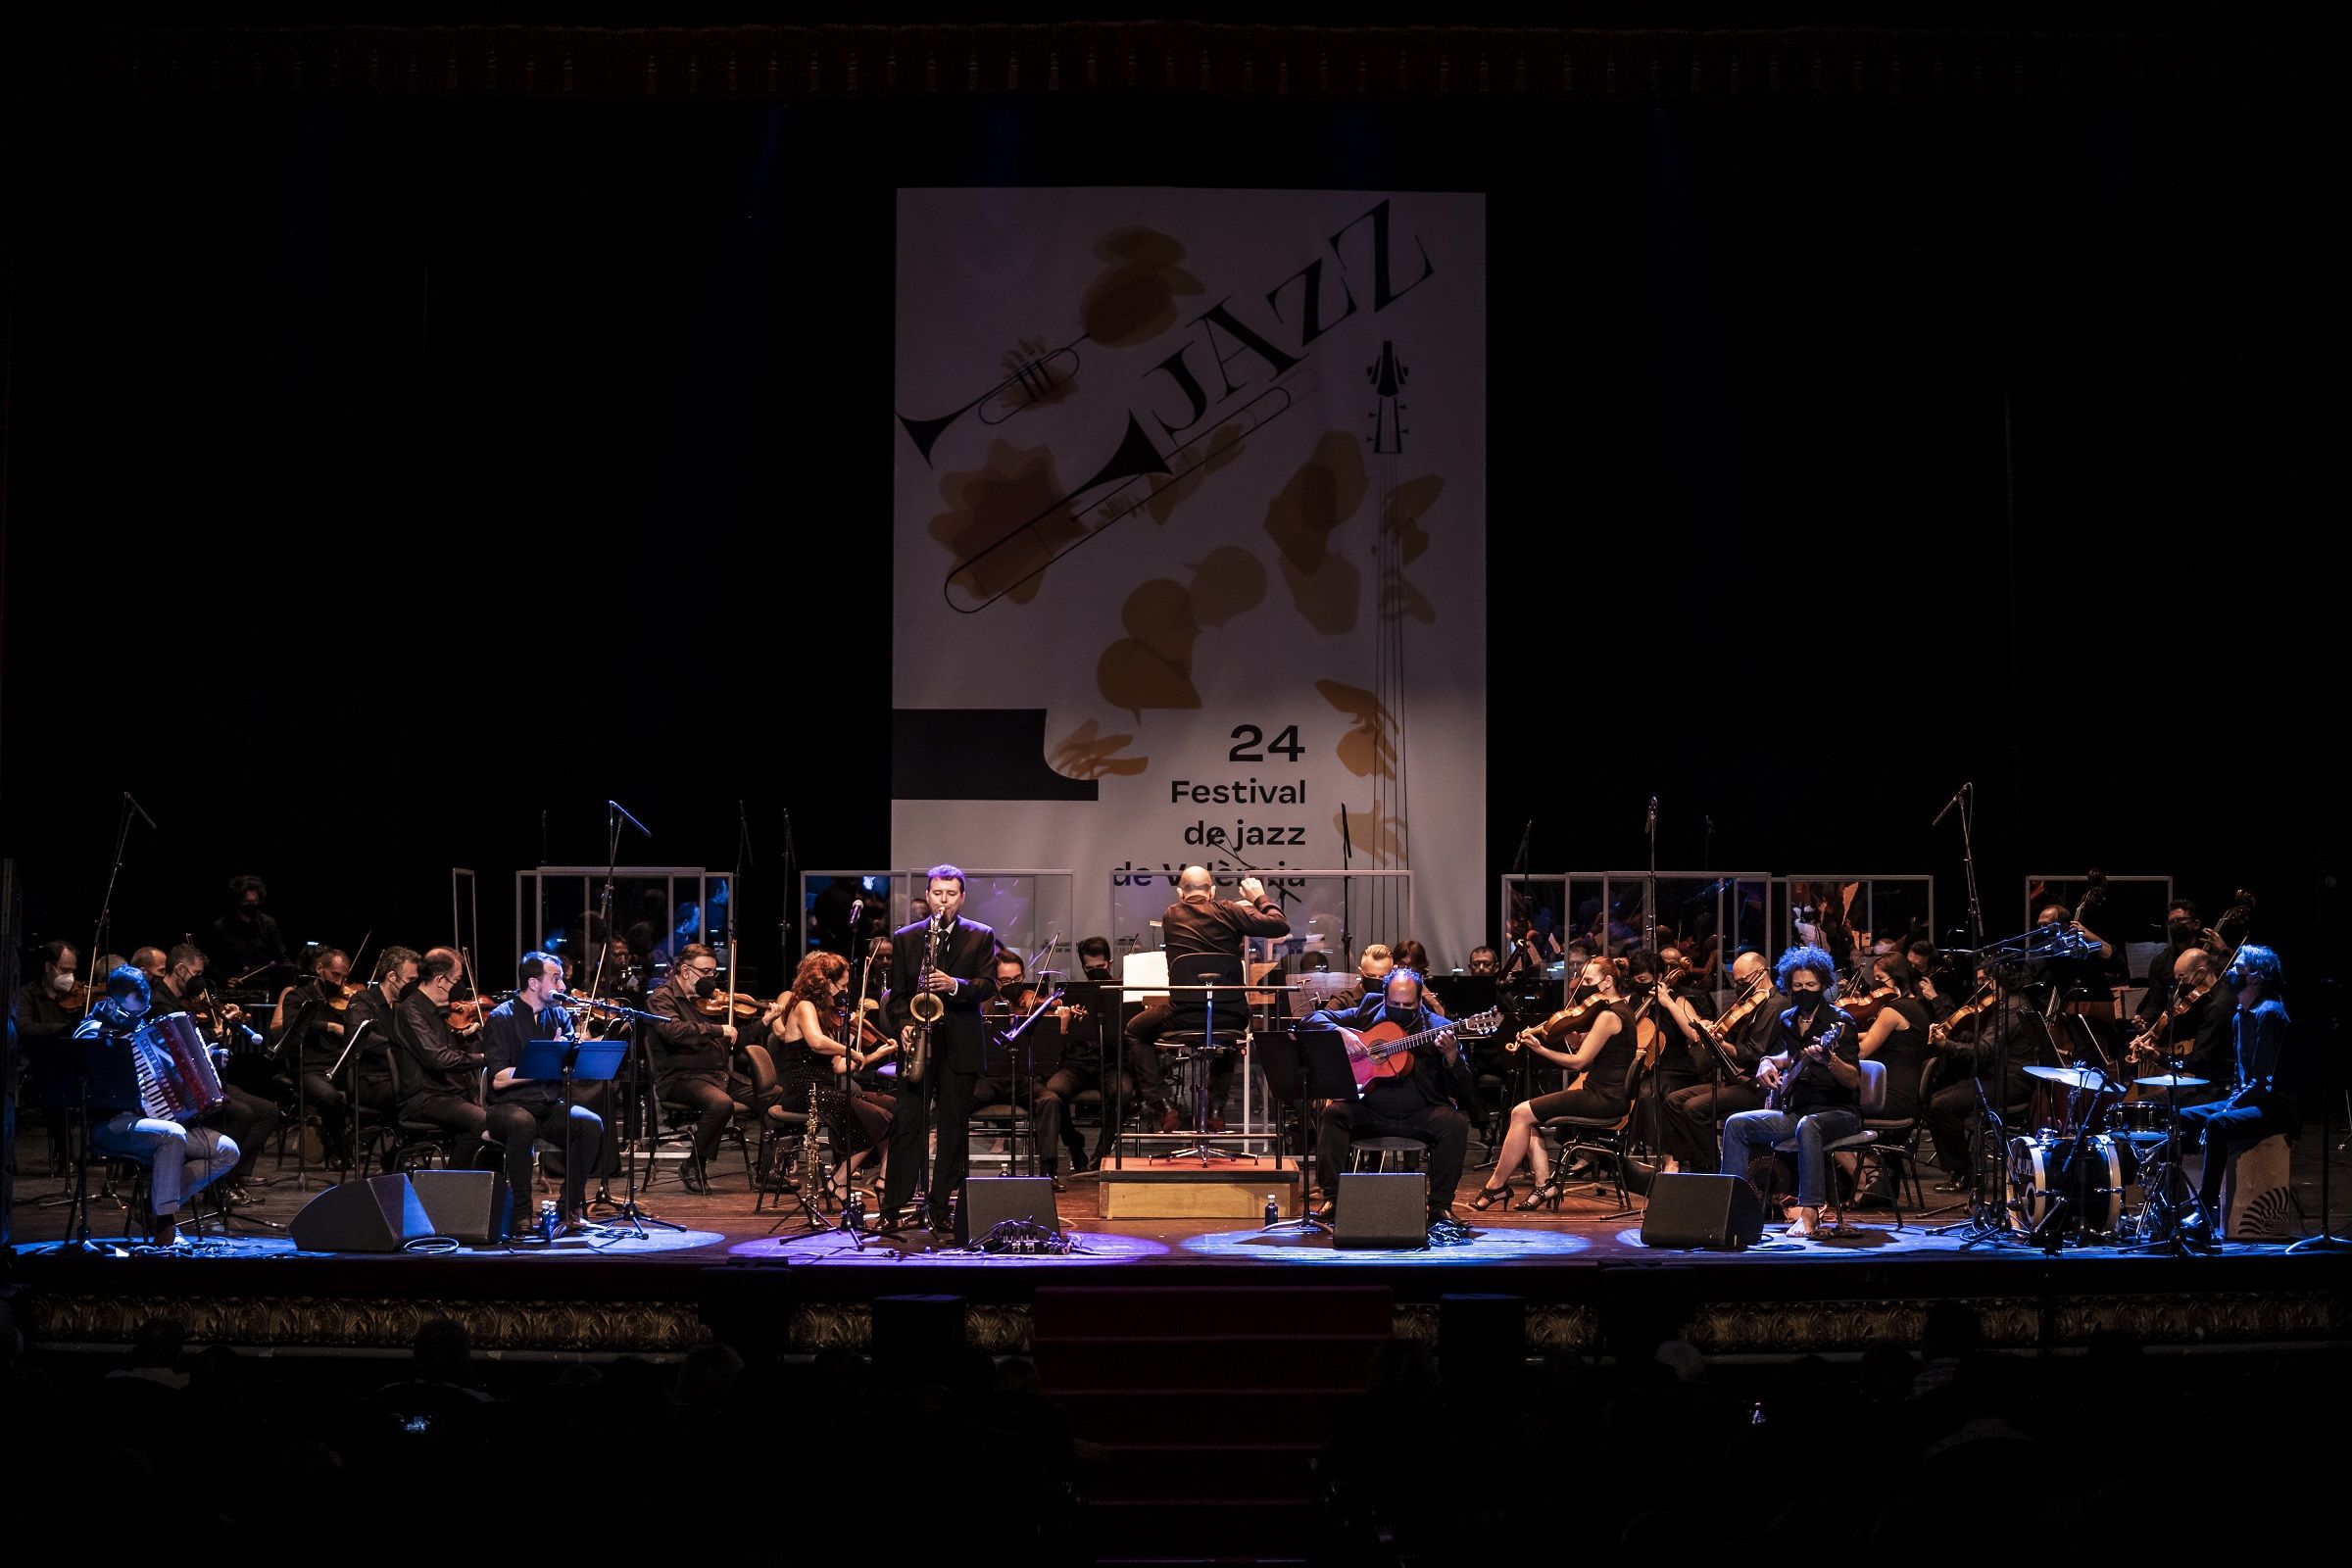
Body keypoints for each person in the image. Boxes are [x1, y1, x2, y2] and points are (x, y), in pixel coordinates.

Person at [74, 966, 238, 1246]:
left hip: (154, 1125)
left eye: (143, 1012)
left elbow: (166, 1078)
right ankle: (165, 1225)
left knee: (227, 1151)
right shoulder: (90, 1033)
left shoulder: (139, 1026)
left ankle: (152, 1205)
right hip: (109, 1126)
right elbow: (90, 1087)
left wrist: (201, 1064)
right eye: (131, 1014)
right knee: (171, 1135)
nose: (138, 1020)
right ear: (112, 1004)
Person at [879, 865, 1002, 1237]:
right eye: (937, 894)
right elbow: (898, 996)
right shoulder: (906, 938)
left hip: (959, 1043)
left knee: (952, 1128)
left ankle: (939, 1205)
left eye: (950, 894)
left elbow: (987, 985)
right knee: (907, 1125)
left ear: (961, 897)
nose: (943, 901)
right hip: (917, 1041)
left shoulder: (981, 935)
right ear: (927, 895)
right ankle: (893, 1206)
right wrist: (902, 1024)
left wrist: (954, 984)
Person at [1307, 968, 1476, 1234]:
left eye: (1408, 1005)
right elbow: (1311, 1018)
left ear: (1420, 1000)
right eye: (1394, 1004)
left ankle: (1440, 1207)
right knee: (1334, 1113)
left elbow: (1465, 1086)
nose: (1400, 1009)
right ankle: (1333, 1200)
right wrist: (1341, 1031)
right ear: (1384, 998)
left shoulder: (1438, 1028)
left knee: (1454, 1124)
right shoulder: (1366, 1012)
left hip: (1421, 1113)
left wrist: (1452, 1055)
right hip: (1369, 1112)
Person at [1124, 867, 1289, 1130]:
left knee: (1135, 1030)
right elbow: (1279, 924)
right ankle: (1215, 1108)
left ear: (1180, 894)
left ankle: (1163, 1106)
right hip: (1231, 1014)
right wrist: (1259, 899)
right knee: (1228, 1030)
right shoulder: (1230, 911)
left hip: (1183, 1013)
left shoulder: (1170, 915)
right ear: (1212, 891)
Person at [1472, 957, 1642, 1211]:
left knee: (1520, 1113)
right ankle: (1544, 1184)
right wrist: (1568, 1026)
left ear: (1607, 982)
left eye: (1588, 981)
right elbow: (1577, 1043)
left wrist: (1540, 1049)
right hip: (1601, 1094)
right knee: (1525, 1117)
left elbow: (1578, 1062)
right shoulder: (1614, 1010)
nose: (1583, 986)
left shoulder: (1609, 1015)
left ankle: (1496, 1186)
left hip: (1603, 1098)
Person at [1718, 945, 1863, 1238]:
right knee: (1736, 1125)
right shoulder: (1788, 1019)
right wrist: (1767, 1061)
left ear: (1823, 984)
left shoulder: (1840, 1022)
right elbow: (1792, 1057)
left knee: (1808, 1126)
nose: (1804, 990)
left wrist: (1829, 1059)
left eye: (1811, 985)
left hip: (1838, 1113)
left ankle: (1810, 1213)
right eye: (1798, 986)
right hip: (1797, 1109)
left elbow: (1853, 1080)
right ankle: (1730, 1210)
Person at [2176, 945, 2299, 1244]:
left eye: (2239, 967)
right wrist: (2230, 1104)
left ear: (2256, 975)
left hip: (2275, 1106)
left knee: (2216, 1124)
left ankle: (2204, 1213)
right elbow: (2239, 1077)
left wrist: (2227, 1110)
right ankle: (2176, 1204)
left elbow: (2262, 1082)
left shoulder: (2269, 1013)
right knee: (2179, 1116)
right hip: (2248, 1099)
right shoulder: (2240, 1015)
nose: (2231, 972)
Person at [144, 943, 282, 1205]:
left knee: (268, 1111)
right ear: (181, 970)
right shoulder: (159, 1002)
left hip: (203, 1078)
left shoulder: (179, 1001)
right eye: (196, 973)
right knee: (241, 1112)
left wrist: (222, 1027)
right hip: (179, 1087)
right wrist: (214, 1033)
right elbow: (179, 1044)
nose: (200, 981)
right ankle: (220, 1185)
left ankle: (231, 1176)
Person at [480, 952, 606, 1233]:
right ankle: (522, 1212)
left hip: (548, 1104)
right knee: (521, 1123)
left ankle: (569, 1208)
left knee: (590, 1124)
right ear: (534, 983)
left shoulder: (558, 1014)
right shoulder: (502, 1017)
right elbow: (498, 1079)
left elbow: (571, 1061)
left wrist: (584, 1048)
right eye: (556, 979)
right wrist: (540, 1063)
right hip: (508, 1106)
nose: (562, 987)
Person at [767, 951, 889, 1202]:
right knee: (873, 1118)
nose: (845, 991)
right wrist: (850, 1051)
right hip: (804, 1090)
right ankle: (839, 1181)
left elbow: (837, 1066)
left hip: (825, 1087)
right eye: (842, 985)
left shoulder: (824, 1013)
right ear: (826, 983)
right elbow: (816, 1042)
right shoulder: (802, 1005)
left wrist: (874, 1055)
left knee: (892, 1108)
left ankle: (885, 1181)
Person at [1652, 949, 1785, 1175]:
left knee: (1694, 1109)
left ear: (1761, 974)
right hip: (1736, 1080)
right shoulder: (1751, 1004)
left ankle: (1712, 1169)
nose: (1738, 987)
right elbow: (1733, 1040)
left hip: (1756, 1085)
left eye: (1742, 981)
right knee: (1673, 1101)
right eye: (1735, 981)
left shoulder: (1774, 1005)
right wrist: (1715, 1033)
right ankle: (1685, 1163)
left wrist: (1721, 1045)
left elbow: (1753, 1052)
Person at [646, 943, 752, 1194]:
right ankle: (693, 1165)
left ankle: (768, 1171)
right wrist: (718, 1029)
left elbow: (739, 1041)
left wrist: (763, 1021)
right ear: (685, 970)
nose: (710, 979)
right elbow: (673, 1031)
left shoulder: (707, 1002)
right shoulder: (662, 998)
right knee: (720, 1104)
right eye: (705, 972)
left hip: (716, 1076)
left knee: (770, 1095)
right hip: (680, 1078)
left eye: (713, 973)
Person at [1923, 965, 2034, 1192]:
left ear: (1997, 980)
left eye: (1984, 980)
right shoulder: (2005, 1004)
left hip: (2011, 1081)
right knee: (1932, 1100)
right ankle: (1961, 1169)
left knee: (1940, 1105)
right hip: (1997, 1077)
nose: (1980, 986)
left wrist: (1947, 1045)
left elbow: (1983, 1051)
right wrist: (1954, 1035)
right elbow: (1983, 1041)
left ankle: (1965, 1172)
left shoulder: (2011, 1009)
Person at [391, 946, 489, 1149]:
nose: (460, 986)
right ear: (440, 980)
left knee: (503, 1117)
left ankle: (488, 1177)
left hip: (447, 1093)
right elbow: (437, 1058)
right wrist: (483, 1058)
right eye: (457, 979)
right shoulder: (411, 1011)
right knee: (484, 1122)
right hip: (424, 1098)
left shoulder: (438, 1010)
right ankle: (455, 1178)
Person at [13, 939, 84, 1173]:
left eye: (73, 971)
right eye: (64, 971)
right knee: (56, 1086)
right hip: (38, 1066)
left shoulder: (78, 998)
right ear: (48, 967)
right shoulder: (27, 994)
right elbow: (23, 1027)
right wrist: (61, 1029)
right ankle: (66, 1155)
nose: (70, 977)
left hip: (71, 1064)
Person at [208, 874, 290, 979]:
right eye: (246, 902)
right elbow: (213, 963)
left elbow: (282, 958)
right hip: (235, 989)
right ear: (237, 900)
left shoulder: (268, 923)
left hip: (265, 986)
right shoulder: (221, 926)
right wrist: (225, 979)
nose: (251, 905)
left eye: (254, 901)